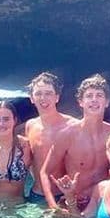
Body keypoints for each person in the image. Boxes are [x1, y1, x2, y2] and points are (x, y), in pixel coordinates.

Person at [39, 74, 110, 210]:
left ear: (106, 102)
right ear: (81, 102)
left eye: (99, 95)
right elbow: (45, 172)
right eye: (89, 96)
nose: (94, 100)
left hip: (102, 203)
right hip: (74, 202)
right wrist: (53, 205)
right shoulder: (67, 135)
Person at [24, 72, 78, 205]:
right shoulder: (30, 125)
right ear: (31, 98)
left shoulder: (72, 126)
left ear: (57, 97)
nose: (43, 98)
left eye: (48, 93)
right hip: (35, 194)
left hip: (62, 197)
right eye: (38, 93)